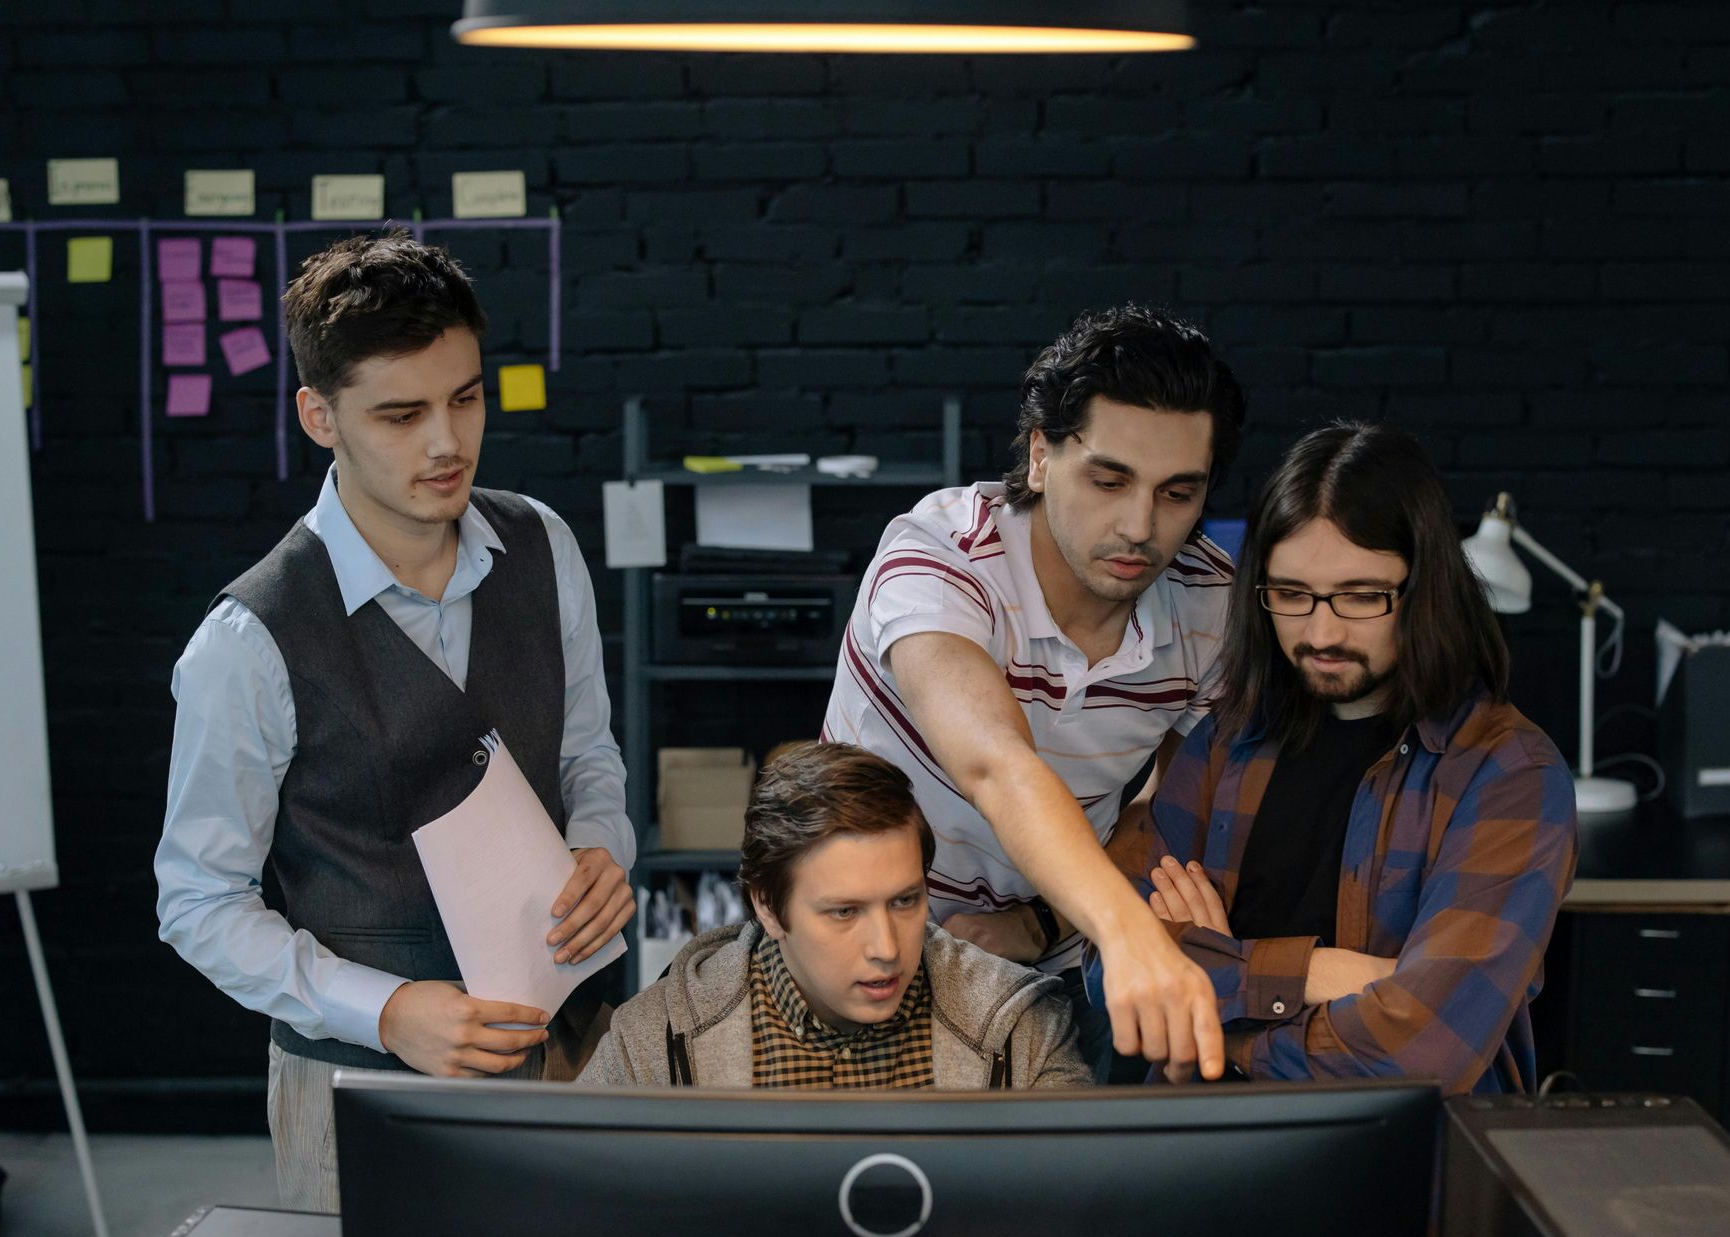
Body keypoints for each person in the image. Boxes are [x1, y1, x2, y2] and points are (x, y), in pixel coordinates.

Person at [154, 230, 636, 1210]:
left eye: (465, 398)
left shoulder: (544, 541)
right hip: (363, 1087)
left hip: (574, 1044)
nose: (446, 443)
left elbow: (588, 750)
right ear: (319, 414)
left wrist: (602, 843)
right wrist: (386, 1010)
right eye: (401, 413)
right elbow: (197, 901)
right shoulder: (246, 641)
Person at [823, 303, 1244, 1081]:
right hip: (855, 957)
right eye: (1109, 480)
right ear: (1042, 455)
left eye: (1178, 493)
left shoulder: (1211, 606)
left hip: (1049, 963)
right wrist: (1129, 934)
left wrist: (1040, 921)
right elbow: (995, 763)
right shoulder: (942, 556)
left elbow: (1167, 806)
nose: (1140, 527)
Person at [1097, 422, 1577, 1094]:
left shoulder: (1509, 772)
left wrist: (1221, 1005)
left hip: (1399, 1164)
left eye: (1360, 596)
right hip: (1205, 1150)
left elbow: (1427, 1050)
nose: (1321, 633)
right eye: (1291, 595)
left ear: (1425, 586)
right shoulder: (1224, 742)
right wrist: (1334, 976)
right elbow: (1111, 965)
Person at [580, 743, 1090, 1089]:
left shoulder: (1020, 1030)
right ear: (767, 906)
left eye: (905, 901)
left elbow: (1080, 1219)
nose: (886, 948)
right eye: (844, 911)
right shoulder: (650, 1043)